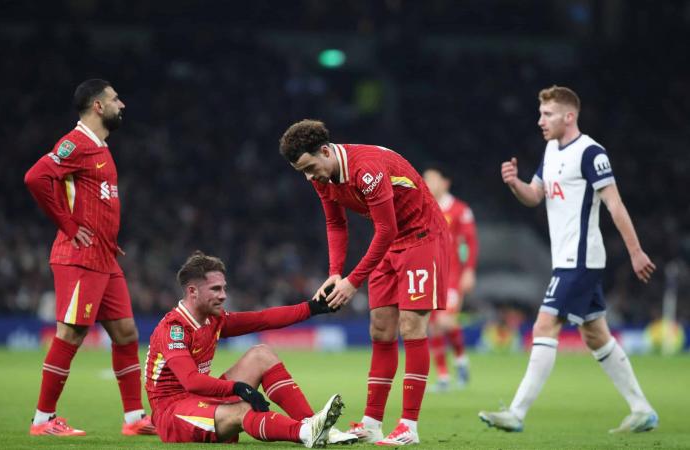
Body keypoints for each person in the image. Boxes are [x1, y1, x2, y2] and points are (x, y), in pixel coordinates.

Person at [479, 85, 658, 433]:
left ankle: (516, 412)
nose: (540, 121)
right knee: (595, 335)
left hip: (581, 258)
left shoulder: (591, 153)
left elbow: (614, 204)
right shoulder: (551, 149)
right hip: (566, 258)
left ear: (569, 116)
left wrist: (636, 252)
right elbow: (534, 196)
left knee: (544, 326)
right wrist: (515, 183)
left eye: (547, 114)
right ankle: (642, 409)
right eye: (541, 113)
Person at [279, 120, 451, 446]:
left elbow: (385, 229)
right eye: (301, 171)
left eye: (310, 167)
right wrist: (334, 273)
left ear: (326, 151)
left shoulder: (365, 170)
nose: (309, 176)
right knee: (380, 329)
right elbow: (335, 223)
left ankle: (409, 427)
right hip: (391, 243)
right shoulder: (323, 177)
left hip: (420, 237)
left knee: (412, 326)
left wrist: (353, 281)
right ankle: (372, 423)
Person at [24, 79, 156, 436]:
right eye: (115, 99)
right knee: (71, 334)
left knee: (126, 333)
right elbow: (36, 177)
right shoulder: (76, 142)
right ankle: (42, 421)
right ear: (98, 106)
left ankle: (134, 420)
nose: (122, 104)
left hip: (104, 257)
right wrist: (68, 225)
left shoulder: (100, 147)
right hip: (79, 256)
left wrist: (108, 237)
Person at [145, 250, 352, 448]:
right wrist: (237, 388)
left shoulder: (213, 319)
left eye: (224, 288)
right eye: (216, 289)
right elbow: (191, 380)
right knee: (242, 409)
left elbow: (262, 319)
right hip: (172, 414)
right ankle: (305, 432)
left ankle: (314, 424)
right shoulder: (174, 330)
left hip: (199, 400)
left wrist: (312, 308)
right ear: (193, 291)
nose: (224, 295)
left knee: (261, 355)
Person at [422, 165, 479, 391]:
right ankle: (444, 377)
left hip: (452, 275)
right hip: (428, 274)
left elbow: (470, 243)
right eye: (425, 179)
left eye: (431, 179)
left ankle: (461, 360)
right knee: (433, 327)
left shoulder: (460, 210)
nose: (427, 183)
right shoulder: (423, 208)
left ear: (445, 183)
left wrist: (469, 270)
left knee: (446, 321)